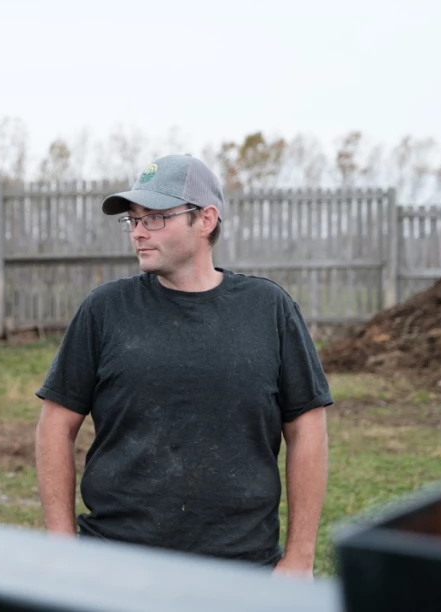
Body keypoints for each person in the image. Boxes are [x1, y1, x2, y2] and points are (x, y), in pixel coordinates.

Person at [34, 154, 330, 577]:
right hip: (117, 565)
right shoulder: (105, 310)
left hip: (241, 568)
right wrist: (61, 545)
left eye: (154, 218)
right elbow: (54, 425)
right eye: (133, 220)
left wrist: (300, 556)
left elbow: (307, 428)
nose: (137, 232)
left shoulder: (268, 309)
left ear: (206, 219)